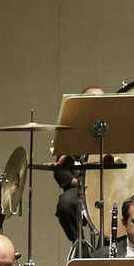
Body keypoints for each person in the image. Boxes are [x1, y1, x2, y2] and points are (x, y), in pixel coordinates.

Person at [53, 85, 105, 244]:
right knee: (66, 204)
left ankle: (110, 250)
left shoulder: (115, 130)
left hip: (111, 188)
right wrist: (83, 181)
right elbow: (61, 170)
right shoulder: (69, 131)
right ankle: (81, 245)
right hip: (80, 189)